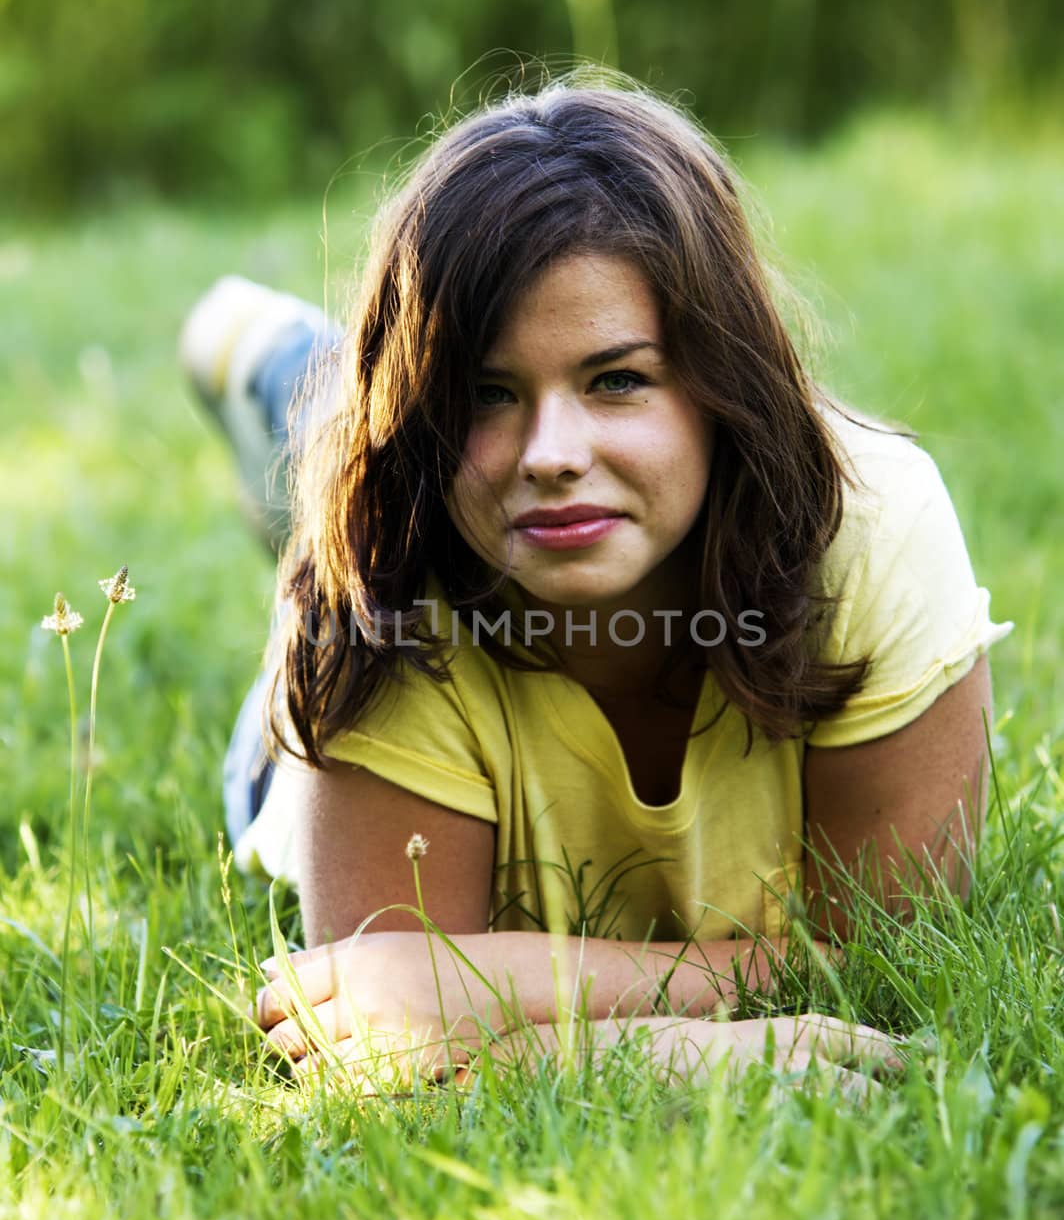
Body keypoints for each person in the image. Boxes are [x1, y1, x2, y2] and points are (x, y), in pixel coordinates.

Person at [181, 79, 1011, 1092]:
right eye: (486, 392)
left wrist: (497, 985)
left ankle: (294, 366)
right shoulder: (376, 570)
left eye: (616, 378)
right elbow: (380, 1044)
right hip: (318, 707)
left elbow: (884, 963)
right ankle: (259, 349)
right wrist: (731, 1044)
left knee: (367, 431)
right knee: (329, 442)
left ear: (720, 381)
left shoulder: (872, 526)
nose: (552, 453)